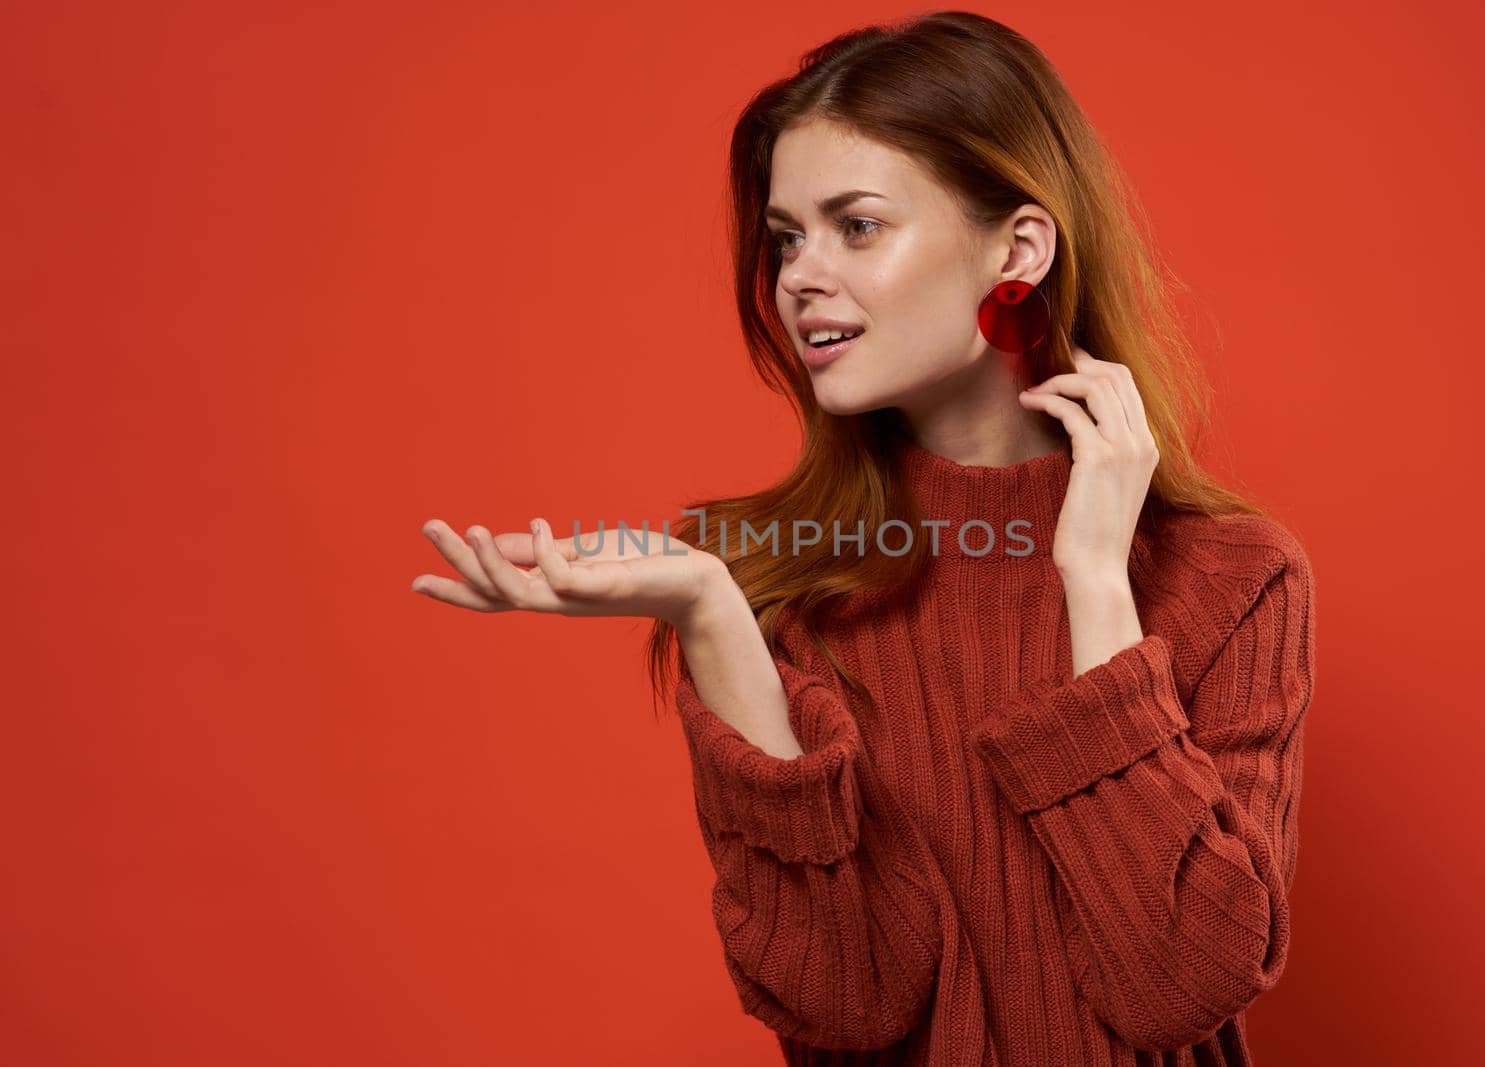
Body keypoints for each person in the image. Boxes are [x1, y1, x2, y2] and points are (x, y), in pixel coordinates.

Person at [411, 10, 1317, 1066]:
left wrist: (1092, 579)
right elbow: (845, 999)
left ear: (1015, 250)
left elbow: (1179, 984)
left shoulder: (1236, 578)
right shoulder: (769, 579)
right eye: (786, 235)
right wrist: (714, 615)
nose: (797, 275)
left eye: (857, 224)